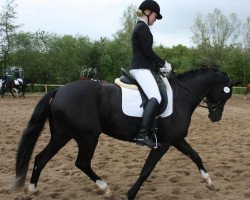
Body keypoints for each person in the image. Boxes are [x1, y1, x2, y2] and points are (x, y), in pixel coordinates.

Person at [129, 0, 172, 149]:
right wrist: (163, 63)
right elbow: (148, 52)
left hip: (143, 67)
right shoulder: (142, 28)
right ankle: (142, 135)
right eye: (155, 15)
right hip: (140, 69)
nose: (155, 19)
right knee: (156, 97)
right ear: (147, 12)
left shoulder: (142, 28)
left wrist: (158, 68)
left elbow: (146, 54)